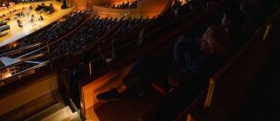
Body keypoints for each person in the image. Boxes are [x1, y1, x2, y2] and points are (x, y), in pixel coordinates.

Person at [97, 25, 231, 101]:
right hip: (173, 64)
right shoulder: (201, 43)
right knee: (148, 59)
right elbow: (180, 42)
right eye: (203, 38)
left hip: (175, 80)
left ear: (212, 49)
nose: (201, 40)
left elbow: (181, 76)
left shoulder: (204, 63)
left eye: (204, 41)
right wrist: (180, 57)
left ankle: (120, 91)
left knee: (145, 64)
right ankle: (139, 91)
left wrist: (178, 57)